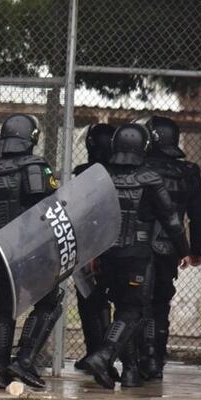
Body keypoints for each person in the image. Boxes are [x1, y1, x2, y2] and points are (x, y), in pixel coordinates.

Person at [82, 123, 189, 390]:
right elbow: (171, 221)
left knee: (123, 310)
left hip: (107, 255)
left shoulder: (101, 176)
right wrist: (184, 250)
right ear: (143, 147)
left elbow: (89, 218)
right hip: (137, 256)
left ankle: (129, 372)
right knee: (134, 310)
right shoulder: (150, 179)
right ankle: (104, 355)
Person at [0, 115, 63, 389]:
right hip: (29, 251)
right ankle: (23, 360)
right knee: (49, 302)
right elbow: (48, 207)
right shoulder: (36, 166)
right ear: (32, 137)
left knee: (4, 309)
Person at [137, 115, 201, 379]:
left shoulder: (140, 168)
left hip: (137, 245)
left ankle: (141, 360)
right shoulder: (188, 172)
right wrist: (196, 250)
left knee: (135, 305)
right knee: (160, 304)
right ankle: (156, 361)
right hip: (170, 247)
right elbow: (199, 214)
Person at [72, 123, 115, 371]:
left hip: (90, 246)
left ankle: (95, 354)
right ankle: (103, 356)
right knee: (110, 303)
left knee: (90, 300)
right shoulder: (122, 172)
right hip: (115, 246)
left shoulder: (84, 174)